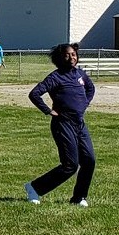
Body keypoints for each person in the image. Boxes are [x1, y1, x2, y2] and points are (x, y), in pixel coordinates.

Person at [24, 43, 96, 207]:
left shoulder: (80, 74)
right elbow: (34, 94)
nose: (72, 58)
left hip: (79, 124)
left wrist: (84, 103)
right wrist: (48, 111)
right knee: (70, 165)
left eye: (74, 55)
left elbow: (91, 89)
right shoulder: (55, 77)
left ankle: (79, 197)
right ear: (59, 58)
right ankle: (34, 188)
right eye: (67, 55)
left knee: (89, 161)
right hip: (63, 124)